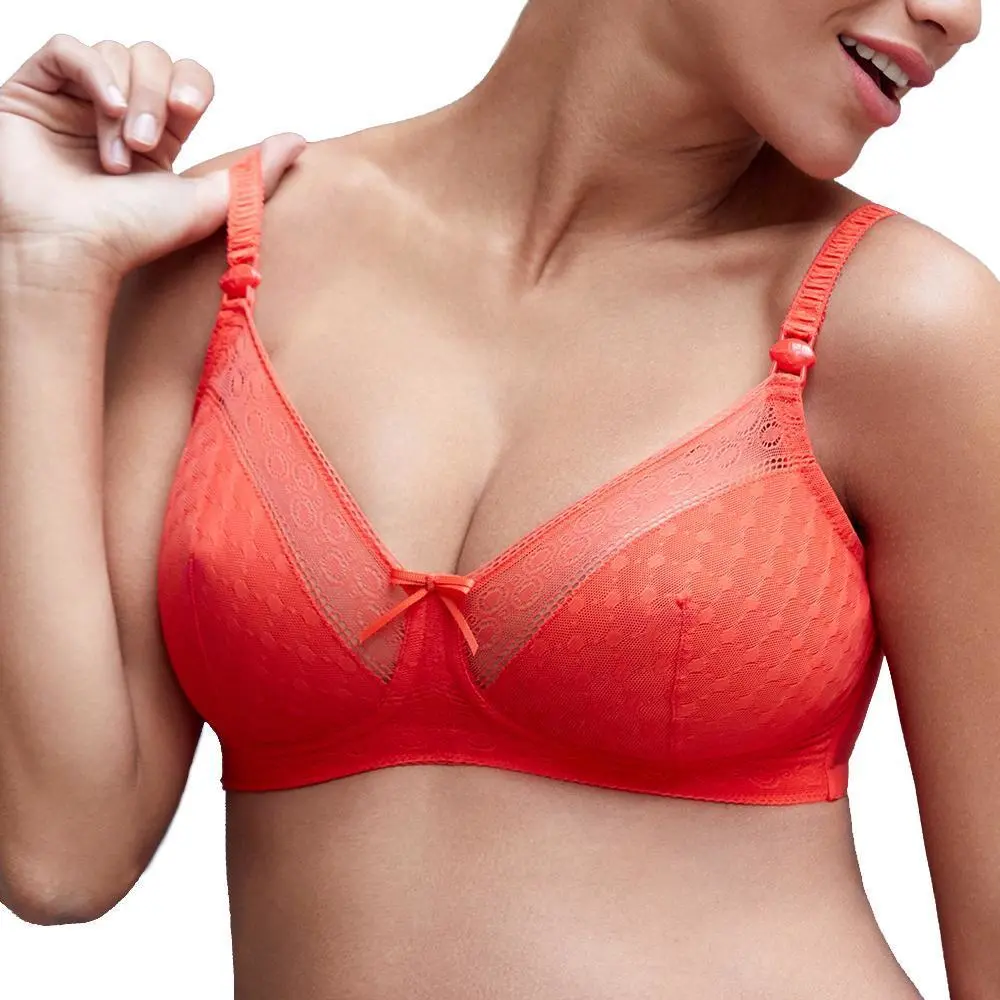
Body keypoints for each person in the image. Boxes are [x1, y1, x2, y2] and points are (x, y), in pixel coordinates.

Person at [0, 1, 995, 997]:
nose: (959, 16)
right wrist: (38, 273)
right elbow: (58, 854)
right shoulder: (226, 251)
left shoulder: (909, 323)